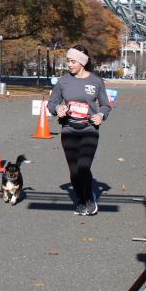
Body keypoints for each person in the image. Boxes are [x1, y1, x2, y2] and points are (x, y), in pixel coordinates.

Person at [47, 44, 112, 216]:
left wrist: (101, 115)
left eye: (73, 61)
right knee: (74, 171)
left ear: (82, 62)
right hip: (69, 129)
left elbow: (105, 105)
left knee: (83, 166)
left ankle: (89, 198)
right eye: (68, 61)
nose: (69, 64)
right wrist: (58, 109)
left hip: (89, 129)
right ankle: (81, 200)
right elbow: (51, 103)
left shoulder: (96, 81)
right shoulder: (63, 81)